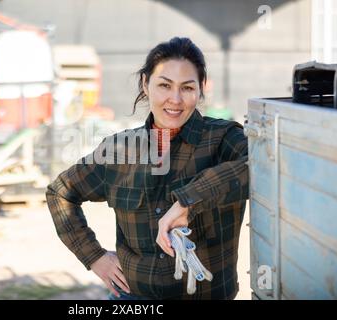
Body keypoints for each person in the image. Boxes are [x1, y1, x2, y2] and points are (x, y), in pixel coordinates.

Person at [46, 37, 248, 300]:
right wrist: (94, 256)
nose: (175, 99)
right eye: (164, 85)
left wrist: (188, 201)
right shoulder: (120, 149)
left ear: (201, 89)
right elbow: (60, 192)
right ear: (145, 84)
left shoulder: (224, 139)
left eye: (187, 88)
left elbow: (260, 168)